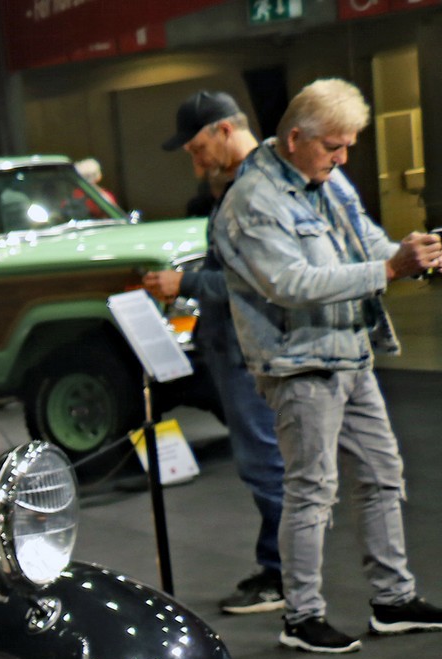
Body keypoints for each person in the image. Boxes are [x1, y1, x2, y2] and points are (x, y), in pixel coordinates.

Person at [212, 77, 442, 653]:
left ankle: (393, 601)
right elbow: (290, 284)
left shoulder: (326, 177)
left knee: (382, 474)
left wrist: (412, 255)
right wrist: (390, 270)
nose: (343, 158)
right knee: (311, 492)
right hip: (299, 366)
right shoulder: (253, 200)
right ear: (295, 139)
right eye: (333, 146)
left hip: (350, 354)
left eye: (348, 146)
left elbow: (367, 241)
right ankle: (302, 617)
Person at [144, 90, 285, 613]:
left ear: (225, 130)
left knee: (266, 463)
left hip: (251, 347)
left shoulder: (255, 187)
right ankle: (279, 567)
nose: (195, 161)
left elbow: (261, 279)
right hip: (238, 346)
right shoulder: (242, 184)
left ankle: (285, 576)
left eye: (197, 148)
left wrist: (184, 283)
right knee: (263, 462)